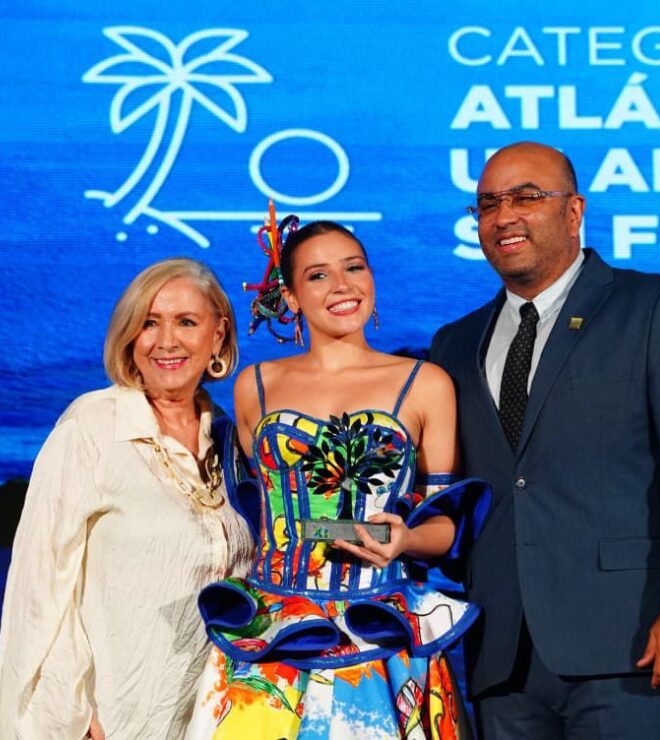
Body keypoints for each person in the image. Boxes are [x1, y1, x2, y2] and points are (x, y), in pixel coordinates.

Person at [429, 142, 660, 738]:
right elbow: (455, 493)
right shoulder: (454, 342)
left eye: (526, 197)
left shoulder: (657, 306)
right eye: (488, 204)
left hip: (637, 647)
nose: (504, 216)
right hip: (502, 658)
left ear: (574, 211)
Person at [186, 221, 489, 739]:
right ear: (290, 296)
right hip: (272, 635)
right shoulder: (255, 385)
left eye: (354, 268)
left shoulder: (425, 384)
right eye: (319, 275)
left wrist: (406, 540)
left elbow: (445, 527)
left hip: (380, 632)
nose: (343, 286)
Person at [0, 258, 256, 739]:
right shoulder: (91, 427)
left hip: (211, 714)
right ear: (129, 336)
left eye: (186, 322)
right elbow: (39, 581)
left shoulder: (230, 441)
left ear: (218, 335)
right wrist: (71, 709)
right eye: (149, 323)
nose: (166, 341)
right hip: (110, 718)